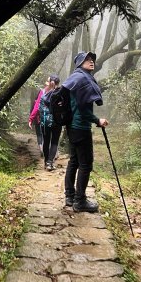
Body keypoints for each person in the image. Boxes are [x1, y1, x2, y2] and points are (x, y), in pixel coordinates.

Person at [62, 51, 108, 213]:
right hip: (80, 128)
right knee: (85, 164)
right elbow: (83, 110)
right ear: (79, 63)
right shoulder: (82, 80)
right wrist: (97, 120)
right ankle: (80, 201)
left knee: (74, 161)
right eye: (87, 60)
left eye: (92, 59)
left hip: (72, 127)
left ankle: (70, 196)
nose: (91, 62)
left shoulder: (76, 78)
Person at [29, 74, 62, 170]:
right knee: (54, 142)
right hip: (57, 122)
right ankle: (50, 163)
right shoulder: (61, 93)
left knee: (46, 142)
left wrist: (31, 118)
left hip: (45, 122)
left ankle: (45, 162)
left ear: (50, 83)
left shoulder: (43, 93)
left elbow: (37, 108)